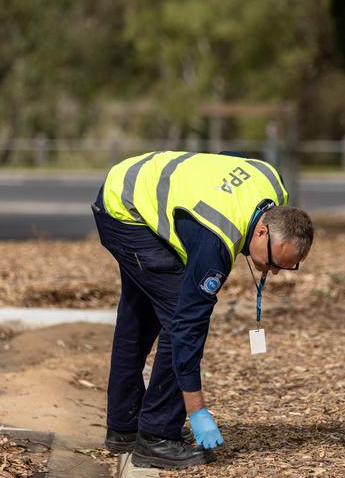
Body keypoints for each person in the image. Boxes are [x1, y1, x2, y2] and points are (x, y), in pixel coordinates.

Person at [92, 150, 313, 470]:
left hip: (131, 182)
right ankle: (157, 438)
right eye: (275, 262)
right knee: (175, 317)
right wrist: (196, 410)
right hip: (125, 211)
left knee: (138, 316)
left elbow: (227, 159)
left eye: (287, 267)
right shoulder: (216, 243)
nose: (275, 272)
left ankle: (124, 427)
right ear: (262, 231)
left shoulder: (273, 183)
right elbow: (186, 329)